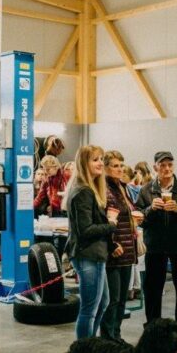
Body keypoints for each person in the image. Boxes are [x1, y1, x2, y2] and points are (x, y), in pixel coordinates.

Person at [136, 151, 177, 340]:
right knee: (152, 288)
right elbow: (139, 218)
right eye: (162, 165)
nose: (167, 169)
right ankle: (153, 327)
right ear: (155, 168)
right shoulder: (146, 190)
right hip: (155, 246)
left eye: (170, 164)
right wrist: (150, 209)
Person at [64, 145, 116, 339]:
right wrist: (111, 225)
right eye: (95, 159)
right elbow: (86, 231)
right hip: (88, 255)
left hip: (95, 255)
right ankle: (84, 352)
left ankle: (89, 345)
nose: (100, 163)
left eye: (101, 159)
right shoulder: (83, 191)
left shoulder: (88, 189)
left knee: (102, 303)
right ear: (84, 163)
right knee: (89, 309)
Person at [100, 150, 141, 342]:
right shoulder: (103, 190)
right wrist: (111, 244)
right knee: (112, 300)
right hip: (113, 252)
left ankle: (116, 335)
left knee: (122, 300)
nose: (120, 169)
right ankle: (108, 337)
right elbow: (103, 220)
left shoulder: (122, 188)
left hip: (127, 250)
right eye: (115, 165)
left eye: (121, 165)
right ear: (106, 168)